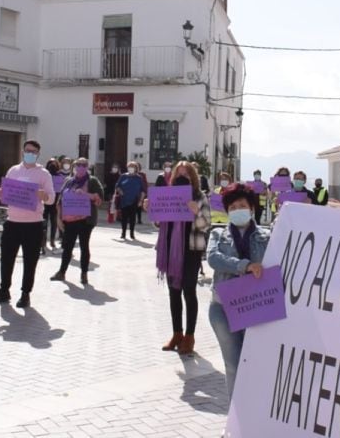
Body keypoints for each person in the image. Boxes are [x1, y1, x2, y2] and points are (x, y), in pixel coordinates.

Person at [207, 183, 270, 400]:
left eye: (242, 205)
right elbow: (213, 258)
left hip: (254, 306)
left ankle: (254, 414)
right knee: (232, 364)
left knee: (254, 362)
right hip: (222, 307)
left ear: (252, 208)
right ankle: (235, 420)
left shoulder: (268, 235)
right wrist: (244, 266)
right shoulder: (217, 234)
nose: (237, 210)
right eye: (232, 207)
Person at [0, 140, 55, 308]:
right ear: (23, 151)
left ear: (38, 154)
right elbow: (7, 195)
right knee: (6, 258)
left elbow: (52, 198)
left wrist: (43, 196)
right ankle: (4, 290)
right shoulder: (13, 170)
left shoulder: (44, 174)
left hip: (33, 224)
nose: (29, 153)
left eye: (33, 151)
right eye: (27, 150)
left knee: (30, 260)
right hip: (12, 222)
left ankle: (25, 294)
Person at [155, 161, 211, 356]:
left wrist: (196, 212)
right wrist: (152, 208)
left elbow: (206, 224)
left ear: (193, 178)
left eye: (186, 176)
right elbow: (159, 222)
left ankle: (190, 336)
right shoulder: (168, 195)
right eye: (178, 175)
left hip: (191, 249)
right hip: (170, 249)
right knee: (173, 292)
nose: (181, 178)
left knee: (189, 291)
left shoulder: (200, 196)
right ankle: (176, 334)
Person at [52, 157, 104, 284]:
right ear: (74, 167)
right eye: (78, 165)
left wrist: (86, 195)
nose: (80, 167)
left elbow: (100, 200)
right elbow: (60, 200)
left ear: (87, 167)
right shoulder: (69, 181)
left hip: (86, 221)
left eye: (83, 165)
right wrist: (59, 219)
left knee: (84, 246)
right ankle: (62, 272)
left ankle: (84, 273)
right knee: (67, 247)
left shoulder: (92, 181)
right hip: (69, 220)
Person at [115, 160, 144, 240]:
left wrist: (141, 201)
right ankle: (123, 233)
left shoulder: (138, 178)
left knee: (132, 218)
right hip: (124, 200)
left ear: (136, 168)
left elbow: (142, 190)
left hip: (134, 200)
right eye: (129, 167)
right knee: (124, 217)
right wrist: (120, 191)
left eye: (132, 167)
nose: (131, 168)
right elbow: (117, 186)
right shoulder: (123, 176)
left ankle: (132, 233)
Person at [42, 158, 62, 253]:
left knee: (53, 223)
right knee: (45, 222)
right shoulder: (45, 176)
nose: (52, 166)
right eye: (51, 163)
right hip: (46, 202)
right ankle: (45, 240)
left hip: (54, 203)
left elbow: (61, 190)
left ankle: (52, 240)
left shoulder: (59, 177)